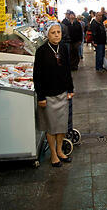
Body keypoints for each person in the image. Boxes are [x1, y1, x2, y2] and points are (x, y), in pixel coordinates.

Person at [34, 22, 74, 167]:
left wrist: (70, 89)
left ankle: (60, 150)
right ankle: (53, 154)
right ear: (47, 34)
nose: (57, 35)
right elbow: (37, 75)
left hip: (62, 92)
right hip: (48, 94)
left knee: (62, 124)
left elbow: (67, 69)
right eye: (53, 32)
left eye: (59, 32)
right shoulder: (41, 51)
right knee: (51, 126)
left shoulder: (63, 48)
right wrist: (41, 96)